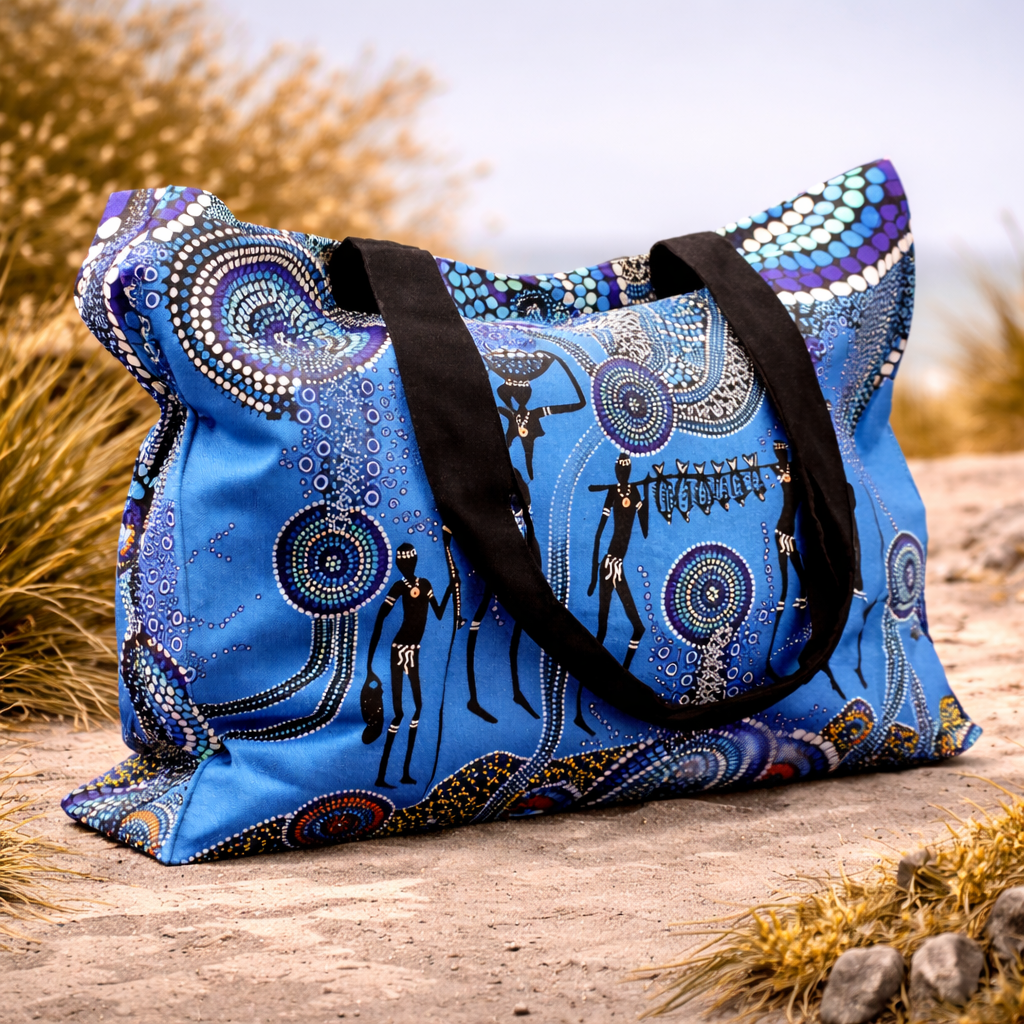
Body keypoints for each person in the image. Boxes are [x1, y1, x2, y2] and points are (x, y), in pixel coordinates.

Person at [364, 543, 454, 788]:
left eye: (408, 560)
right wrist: (370, 663)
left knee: (417, 709)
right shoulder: (399, 587)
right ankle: (382, 775)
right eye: (403, 562)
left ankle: (404, 772)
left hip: (414, 649)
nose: (406, 565)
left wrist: (450, 589)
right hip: (399, 649)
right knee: (400, 713)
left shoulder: (425, 584)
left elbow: (438, 613)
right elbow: (380, 618)